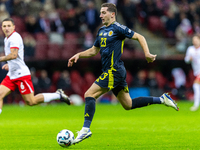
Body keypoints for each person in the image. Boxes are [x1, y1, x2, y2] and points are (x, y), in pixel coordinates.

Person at [68, 3, 179, 144]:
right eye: (100, 13)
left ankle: (85, 130)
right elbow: (93, 50)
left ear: (112, 14)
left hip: (114, 70)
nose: (100, 15)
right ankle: (162, 99)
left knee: (89, 94)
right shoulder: (101, 31)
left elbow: (140, 37)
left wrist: (147, 53)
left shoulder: (118, 28)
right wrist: (78, 55)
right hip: (112, 72)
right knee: (128, 104)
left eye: (103, 12)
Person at [0, 18, 71, 115]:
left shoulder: (14, 38)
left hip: (21, 75)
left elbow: (14, 55)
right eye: (4, 26)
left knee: (31, 101)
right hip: (12, 74)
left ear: (14, 27)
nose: (7, 28)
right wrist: (10, 63)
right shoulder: (7, 38)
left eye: (9, 26)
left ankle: (57, 95)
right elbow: (20, 52)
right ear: (2, 28)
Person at [185, 35, 200, 111]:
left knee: (196, 85)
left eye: (196, 40)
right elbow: (186, 60)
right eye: (193, 40)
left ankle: (196, 105)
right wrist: (189, 59)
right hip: (196, 71)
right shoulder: (190, 49)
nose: (195, 41)